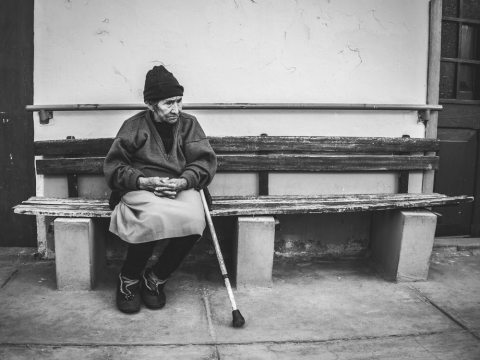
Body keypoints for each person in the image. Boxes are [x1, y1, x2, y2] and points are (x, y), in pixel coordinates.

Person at [104, 65, 217, 314]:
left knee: (195, 220)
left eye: (178, 101)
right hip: (142, 186)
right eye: (168, 103)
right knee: (151, 219)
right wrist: (145, 182)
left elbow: (203, 162)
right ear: (151, 104)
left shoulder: (189, 124)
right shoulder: (133, 126)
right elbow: (114, 168)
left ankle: (156, 277)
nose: (176, 109)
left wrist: (184, 181)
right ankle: (129, 279)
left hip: (179, 186)